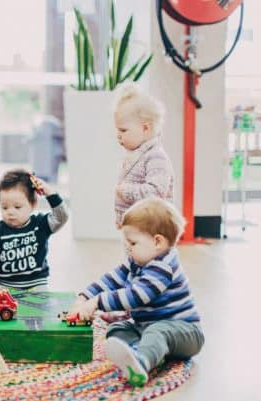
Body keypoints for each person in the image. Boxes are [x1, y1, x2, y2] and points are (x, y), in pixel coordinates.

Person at [70, 198, 204, 387]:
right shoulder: (137, 261)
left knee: (158, 331)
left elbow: (135, 295)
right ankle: (136, 351)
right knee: (118, 328)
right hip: (147, 326)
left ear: (157, 242)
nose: (128, 248)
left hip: (185, 332)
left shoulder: (163, 267)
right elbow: (112, 279)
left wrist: (97, 302)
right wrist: (85, 296)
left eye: (132, 243)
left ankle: (141, 361)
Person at [0, 169, 69, 293]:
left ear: (32, 204)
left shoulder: (40, 224)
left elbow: (61, 217)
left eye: (17, 207)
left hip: (37, 284)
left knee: (41, 309)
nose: (10, 212)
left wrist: (51, 194)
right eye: (4, 207)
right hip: (5, 285)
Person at [114, 83, 174, 228]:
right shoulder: (137, 155)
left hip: (152, 228)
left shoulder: (155, 157)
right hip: (138, 228)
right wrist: (123, 219)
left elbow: (156, 192)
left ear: (145, 128)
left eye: (123, 130)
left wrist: (124, 190)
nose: (118, 136)